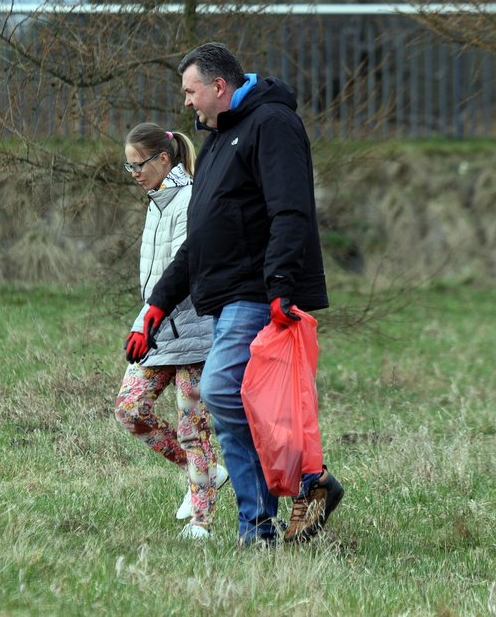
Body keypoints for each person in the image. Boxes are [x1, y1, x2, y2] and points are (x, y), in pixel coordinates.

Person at [134, 43, 343, 546]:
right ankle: (301, 489)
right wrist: (159, 303)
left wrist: (280, 285)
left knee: (222, 388)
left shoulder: (272, 125)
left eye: (191, 91)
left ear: (219, 86)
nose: (187, 103)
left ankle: (260, 522)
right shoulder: (217, 145)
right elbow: (199, 241)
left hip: (256, 290)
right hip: (226, 294)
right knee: (242, 399)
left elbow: (290, 211)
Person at [115, 122, 229, 540]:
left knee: (191, 426)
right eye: (129, 168)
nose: (135, 174)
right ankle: (206, 472)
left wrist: (155, 317)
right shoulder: (155, 200)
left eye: (138, 165)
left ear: (164, 159)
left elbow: (186, 270)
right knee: (129, 410)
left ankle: (202, 521)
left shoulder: (191, 199)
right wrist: (146, 321)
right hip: (157, 329)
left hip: (194, 332)